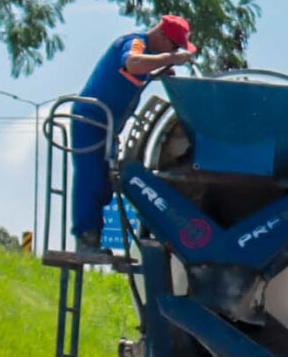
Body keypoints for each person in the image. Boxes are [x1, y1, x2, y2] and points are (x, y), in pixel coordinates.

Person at [69, 14, 196, 254]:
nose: (174, 51)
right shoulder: (135, 42)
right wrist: (168, 59)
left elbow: (136, 72)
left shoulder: (149, 51)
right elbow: (133, 63)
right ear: (161, 35)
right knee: (90, 178)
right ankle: (85, 240)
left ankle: (93, 238)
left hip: (108, 126)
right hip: (90, 120)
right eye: (174, 46)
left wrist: (158, 69)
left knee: (105, 184)